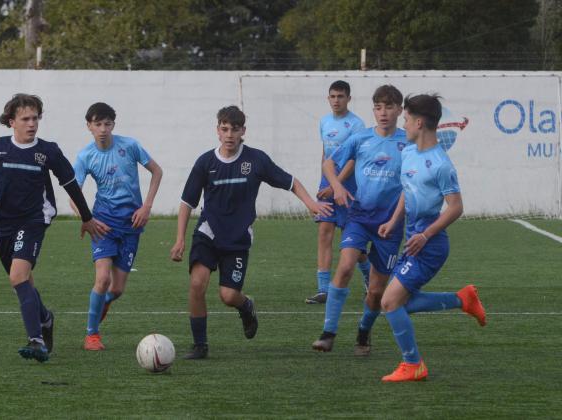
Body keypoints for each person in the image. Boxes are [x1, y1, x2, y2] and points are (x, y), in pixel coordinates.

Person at [170, 105, 332, 360]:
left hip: (237, 240)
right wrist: (179, 238)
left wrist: (311, 204)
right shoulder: (205, 162)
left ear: (243, 131)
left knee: (228, 295)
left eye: (235, 129)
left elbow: (291, 182)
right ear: (217, 131)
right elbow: (187, 202)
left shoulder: (256, 160)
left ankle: (246, 306)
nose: (229, 135)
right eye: (225, 129)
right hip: (208, 233)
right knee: (197, 284)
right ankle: (200, 345)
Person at [0, 94, 108, 362]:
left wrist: (86, 218)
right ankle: (45, 318)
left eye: (35, 118)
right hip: (2, 224)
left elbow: (70, 183)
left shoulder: (48, 151)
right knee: (23, 281)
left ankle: (36, 341)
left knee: (18, 276)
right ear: (12, 122)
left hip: (33, 220)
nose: (32, 124)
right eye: (26, 119)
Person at [377, 94, 486, 382]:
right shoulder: (409, 152)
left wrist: (425, 234)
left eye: (407, 119)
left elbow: (456, 207)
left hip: (431, 245)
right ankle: (462, 300)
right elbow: (406, 188)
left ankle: (413, 365)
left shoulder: (440, 165)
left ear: (420, 122)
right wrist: (393, 220)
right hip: (413, 240)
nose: (404, 123)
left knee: (389, 302)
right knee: (402, 303)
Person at [311, 85, 407, 356]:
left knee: (376, 292)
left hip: (390, 224)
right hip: (360, 216)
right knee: (345, 267)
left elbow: (413, 182)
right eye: (378, 107)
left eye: (389, 107)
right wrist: (337, 186)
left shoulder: (407, 143)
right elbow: (329, 164)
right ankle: (328, 333)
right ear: (373, 110)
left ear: (399, 110)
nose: (383, 113)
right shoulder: (361, 138)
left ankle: (364, 332)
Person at [71, 102, 163, 351]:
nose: (103, 129)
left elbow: (157, 171)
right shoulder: (85, 156)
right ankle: (92, 335)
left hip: (131, 223)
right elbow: (73, 193)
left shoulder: (130, 146)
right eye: (97, 124)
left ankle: (102, 303)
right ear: (89, 126)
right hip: (103, 223)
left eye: (107, 124)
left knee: (118, 289)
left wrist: (147, 206)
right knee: (102, 279)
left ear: (113, 125)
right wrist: (85, 218)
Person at [306, 80, 371, 305]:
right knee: (324, 231)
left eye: (340, 96)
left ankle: (370, 278)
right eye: (332, 96)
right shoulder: (324, 121)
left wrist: (336, 184)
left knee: (352, 239)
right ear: (328, 98)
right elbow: (325, 154)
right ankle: (324, 289)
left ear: (348, 99)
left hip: (347, 186)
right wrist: (324, 180)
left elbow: (354, 159)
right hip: (328, 184)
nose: (336, 100)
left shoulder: (356, 125)